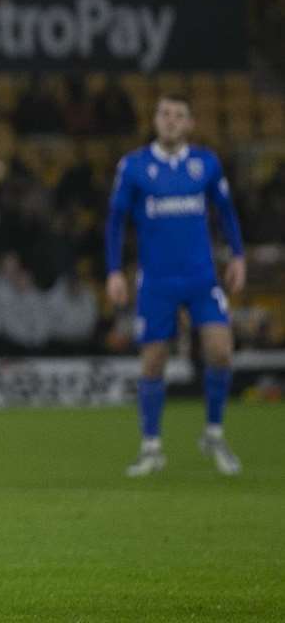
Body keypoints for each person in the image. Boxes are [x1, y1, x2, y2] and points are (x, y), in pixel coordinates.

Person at [105, 96, 246, 477]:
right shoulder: (134, 166)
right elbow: (116, 220)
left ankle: (214, 433)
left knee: (220, 351)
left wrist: (238, 256)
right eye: (164, 114)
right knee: (153, 360)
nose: (170, 121)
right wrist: (114, 270)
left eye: (178, 115)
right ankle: (151, 446)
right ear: (154, 120)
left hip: (201, 276)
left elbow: (227, 211)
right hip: (157, 280)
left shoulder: (206, 164)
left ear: (190, 124)